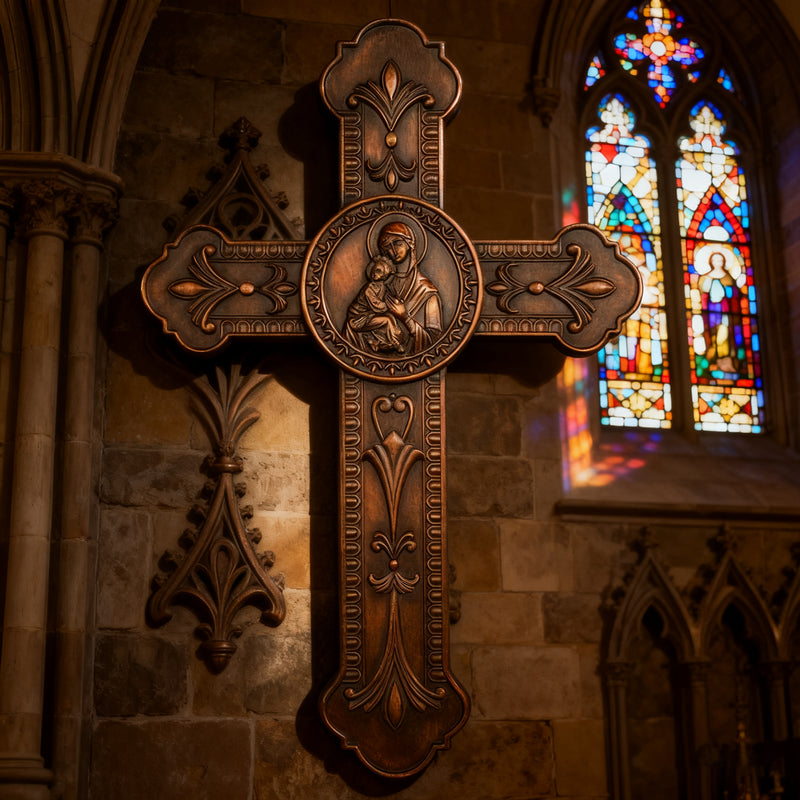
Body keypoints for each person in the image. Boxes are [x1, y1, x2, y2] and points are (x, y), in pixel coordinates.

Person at [375, 221, 442, 354]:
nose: (393, 251)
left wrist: (405, 318)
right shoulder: (382, 285)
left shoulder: (427, 292)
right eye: (387, 246)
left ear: (410, 244)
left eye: (398, 243)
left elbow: (435, 344)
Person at [344, 255, 405, 353]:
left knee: (391, 318)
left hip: (369, 315)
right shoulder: (369, 289)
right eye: (374, 269)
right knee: (387, 320)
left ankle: (383, 342)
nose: (374, 273)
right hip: (358, 318)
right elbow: (378, 306)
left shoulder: (382, 287)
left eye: (379, 271)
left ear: (385, 275)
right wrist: (391, 306)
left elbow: (387, 298)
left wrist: (396, 301)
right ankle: (395, 343)